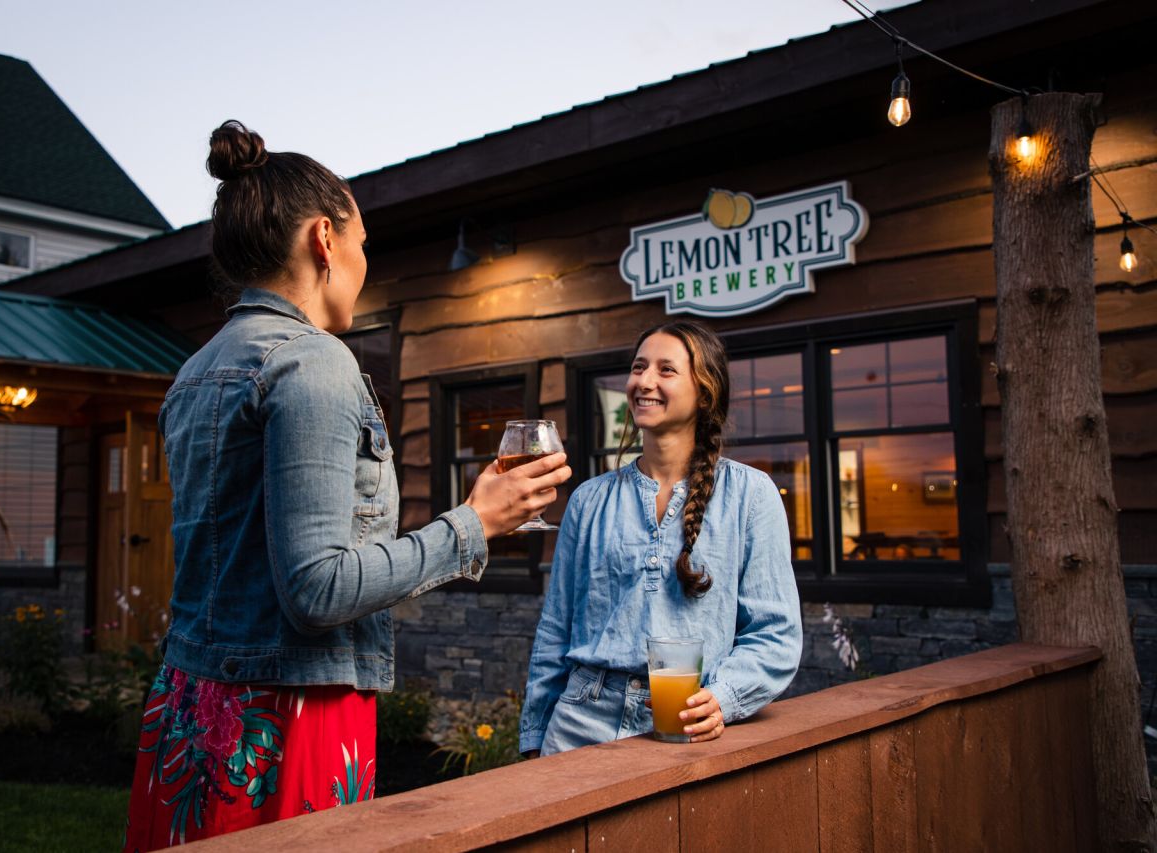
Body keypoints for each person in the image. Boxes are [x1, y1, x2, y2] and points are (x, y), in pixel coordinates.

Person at [123, 121, 571, 851]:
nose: (366, 263)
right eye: (364, 244)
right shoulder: (315, 363)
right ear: (324, 240)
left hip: (189, 709)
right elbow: (318, 589)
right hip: (284, 719)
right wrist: (475, 523)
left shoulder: (194, 371)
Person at [519, 321, 801, 757]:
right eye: (638, 367)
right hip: (579, 722)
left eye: (666, 370)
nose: (643, 381)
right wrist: (535, 737)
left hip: (686, 722)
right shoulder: (589, 500)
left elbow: (776, 635)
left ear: (704, 392)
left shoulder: (750, 494)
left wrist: (722, 698)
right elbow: (556, 630)